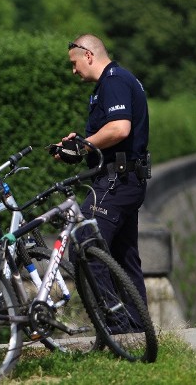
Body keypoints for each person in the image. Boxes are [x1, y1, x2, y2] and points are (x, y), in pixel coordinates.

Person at [54, 34, 151, 315]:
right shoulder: (115, 81)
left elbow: (120, 128)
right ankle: (135, 326)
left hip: (117, 180)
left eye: (74, 63)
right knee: (123, 256)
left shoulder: (114, 81)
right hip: (125, 178)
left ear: (88, 55)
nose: (74, 71)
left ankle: (115, 324)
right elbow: (110, 135)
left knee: (85, 243)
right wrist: (79, 145)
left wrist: (83, 145)